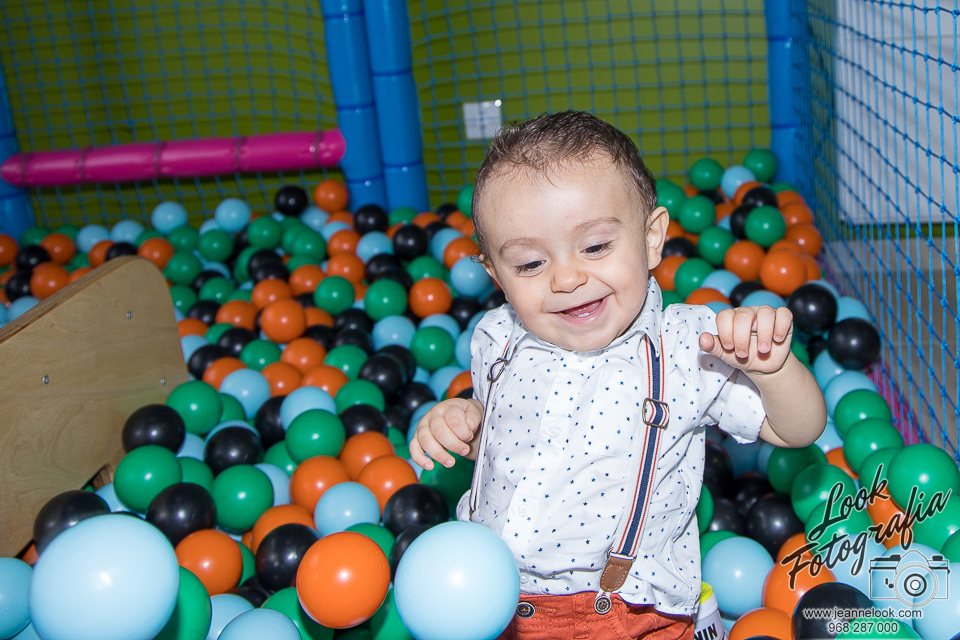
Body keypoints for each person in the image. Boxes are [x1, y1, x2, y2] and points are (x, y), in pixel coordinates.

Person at [409, 110, 827, 640]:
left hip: (629, 612)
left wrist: (775, 368)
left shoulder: (687, 347)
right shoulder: (497, 338)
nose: (566, 277)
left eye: (596, 246)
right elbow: (503, 442)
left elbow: (799, 429)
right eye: (531, 264)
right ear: (495, 273)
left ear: (652, 238)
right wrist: (463, 422)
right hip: (494, 601)